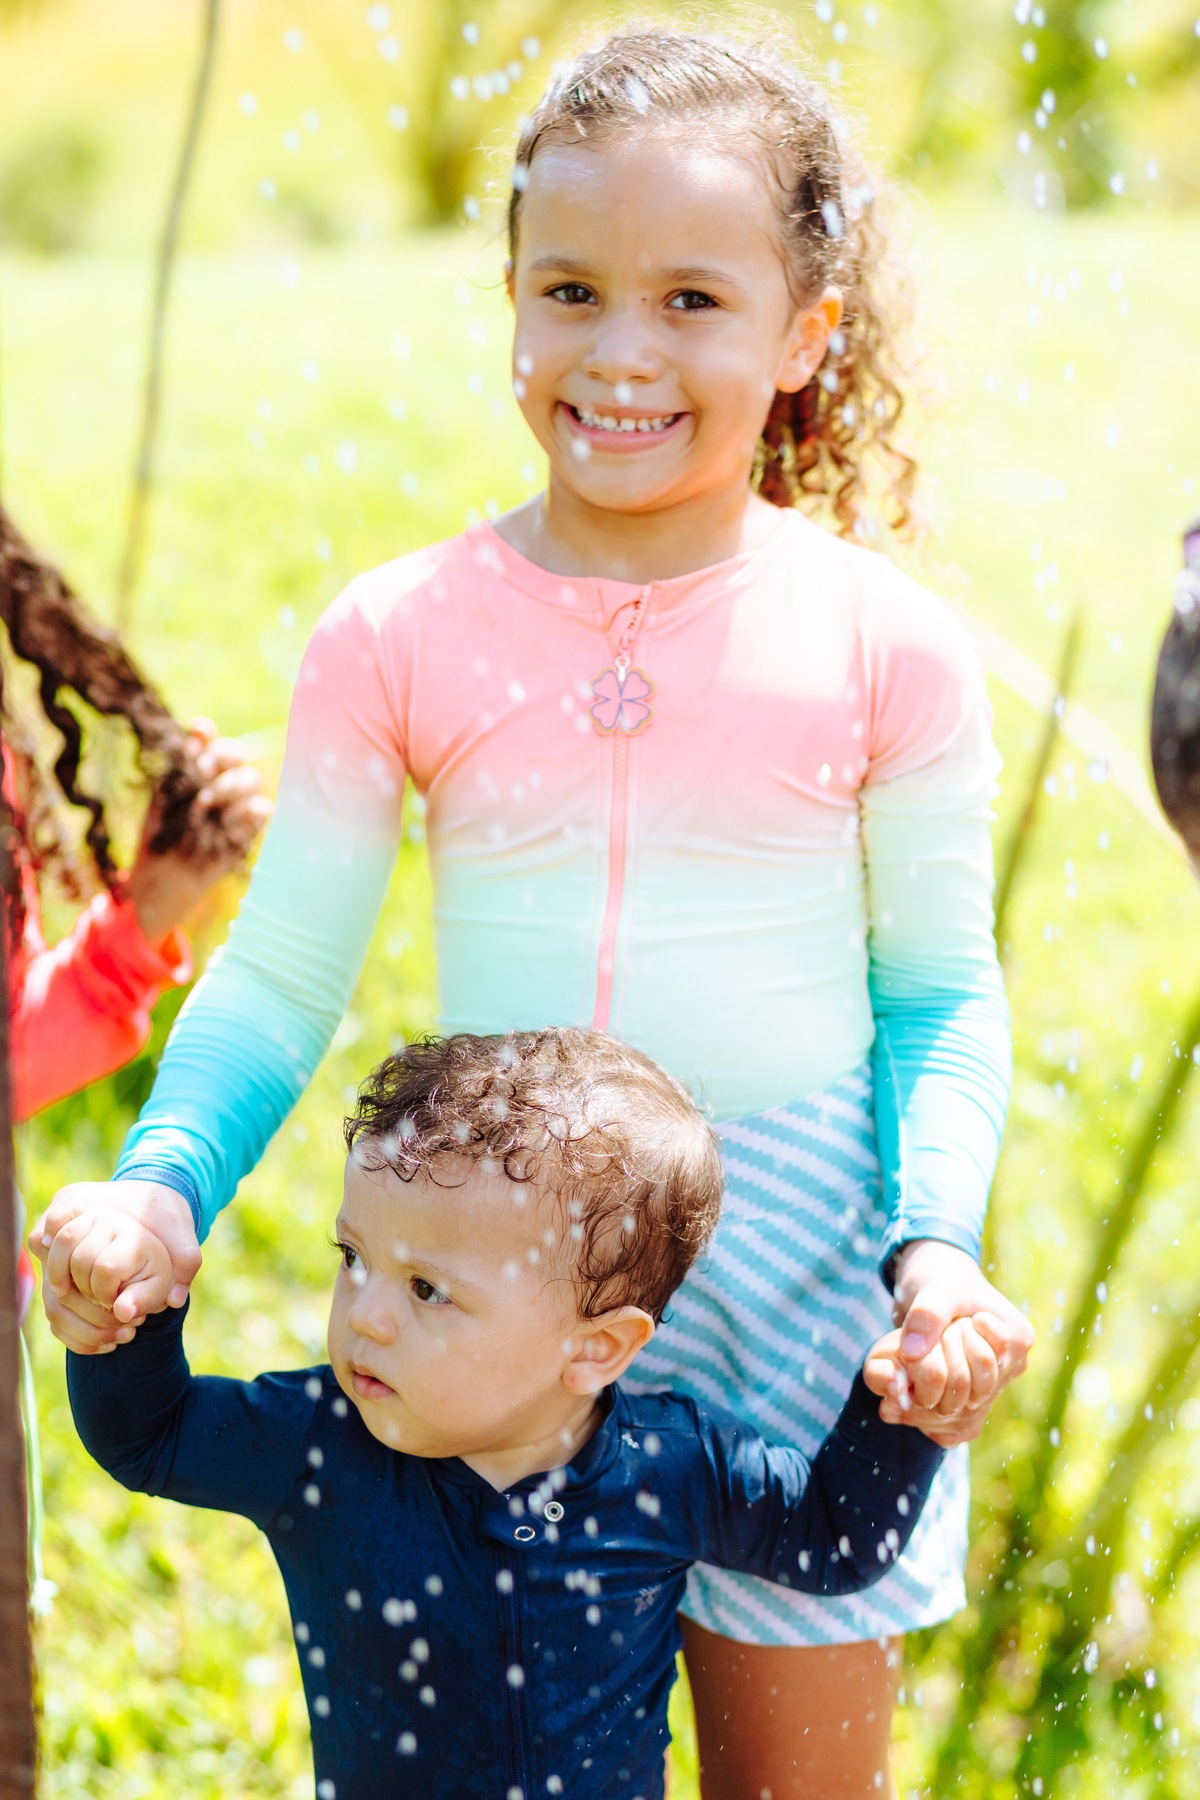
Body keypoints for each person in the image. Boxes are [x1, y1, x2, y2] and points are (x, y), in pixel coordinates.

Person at [33, 29, 1034, 1797]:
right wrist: (161, 1182)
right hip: (484, 1293)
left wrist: (933, 1250)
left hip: (803, 1275)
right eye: (570, 289)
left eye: (693, 300)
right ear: (509, 298)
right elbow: (283, 972)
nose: (621, 351)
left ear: (806, 334)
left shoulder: (888, 646)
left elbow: (940, 991)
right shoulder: (401, 631)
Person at [67, 1028, 960, 1800]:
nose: (366, 1314)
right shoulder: (321, 1446)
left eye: (427, 1289)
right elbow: (148, 1436)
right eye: (354, 1257)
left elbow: (833, 1538)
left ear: (595, 1348)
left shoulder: (669, 1468)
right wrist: (127, 1309)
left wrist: (906, 1401)